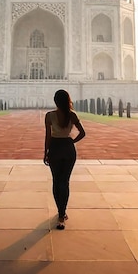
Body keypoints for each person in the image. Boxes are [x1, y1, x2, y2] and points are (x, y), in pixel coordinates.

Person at [44, 89, 86, 230]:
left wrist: (46, 152)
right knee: (65, 181)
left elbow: (48, 137)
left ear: (55, 101)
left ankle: (60, 212)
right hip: (68, 148)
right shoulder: (72, 115)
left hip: (55, 147)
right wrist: (71, 142)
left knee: (56, 181)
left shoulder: (49, 116)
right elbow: (83, 133)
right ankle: (62, 213)